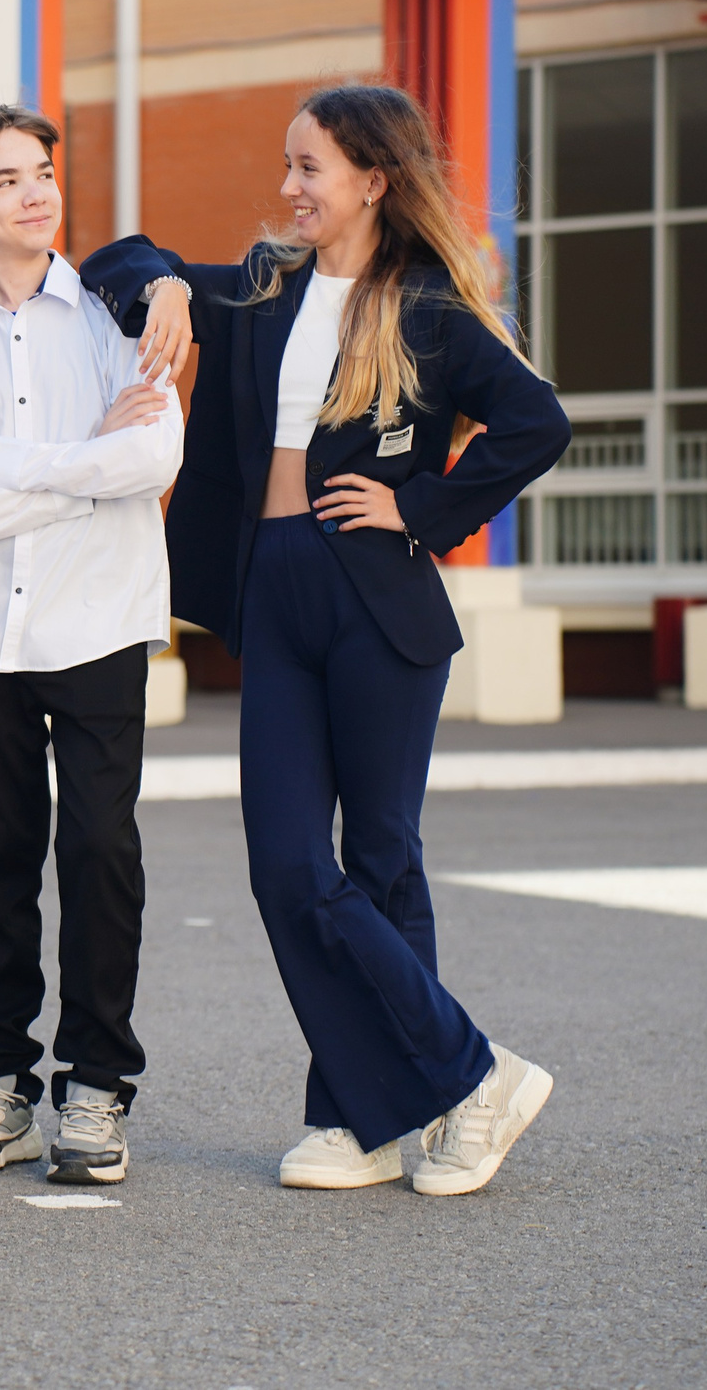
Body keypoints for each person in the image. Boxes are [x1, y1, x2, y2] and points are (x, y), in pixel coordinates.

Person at [79, 82, 571, 1197]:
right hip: (274, 595)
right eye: (288, 164)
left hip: (374, 592)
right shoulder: (261, 289)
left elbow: (536, 422)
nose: (290, 187)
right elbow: (117, 258)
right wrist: (160, 281)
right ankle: (470, 1079)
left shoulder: (430, 308)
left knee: (382, 860)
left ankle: (357, 1118)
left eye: (309, 168)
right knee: (288, 864)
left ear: (370, 181)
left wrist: (425, 510)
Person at [0, 101, 182, 1187]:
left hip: (100, 623)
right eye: (5, 180)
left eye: (40, 172)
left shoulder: (117, 317)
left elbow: (149, 462)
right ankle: (1, 1080)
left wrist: (8, 465)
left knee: (102, 852)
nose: (35, 193)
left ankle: (99, 1086)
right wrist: (73, 466)